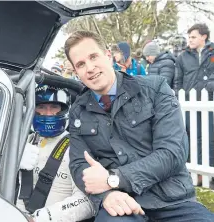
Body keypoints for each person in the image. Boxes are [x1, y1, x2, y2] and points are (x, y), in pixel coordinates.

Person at [64, 30, 214, 221]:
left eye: (93, 56)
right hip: (121, 203)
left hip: (172, 201)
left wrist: (113, 179)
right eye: (81, 64)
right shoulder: (78, 110)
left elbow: (173, 152)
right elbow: (79, 164)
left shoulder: (155, 89)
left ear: (108, 56)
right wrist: (105, 195)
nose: (90, 68)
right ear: (76, 72)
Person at [16, 85, 94, 222]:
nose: (48, 114)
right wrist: (12, 161)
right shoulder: (23, 141)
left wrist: (43, 218)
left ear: (64, 110)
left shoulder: (77, 147)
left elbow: (87, 202)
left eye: (54, 107)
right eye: (41, 107)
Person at [174, 23, 214, 168]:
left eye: (193, 37)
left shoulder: (212, 53)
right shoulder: (182, 57)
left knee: (209, 136)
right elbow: (177, 81)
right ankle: (193, 168)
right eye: (189, 37)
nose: (189, 40)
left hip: (209, 102)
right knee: (191, 137)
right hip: (188, 105)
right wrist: (178, 99)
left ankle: (209, 168)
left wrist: (208, 86)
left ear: (204, 37)